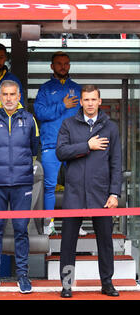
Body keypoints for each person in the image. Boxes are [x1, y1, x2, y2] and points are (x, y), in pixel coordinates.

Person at [56, 84, 122, 298]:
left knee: (105, 241)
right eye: (86, 100)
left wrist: (115, 193)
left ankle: (107, 283)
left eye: (94, 100)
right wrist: (87, 145)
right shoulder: (68, 124)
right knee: (68, 242)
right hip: (74, 192)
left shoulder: (110, 127)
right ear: (81, 102)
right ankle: (66, 285)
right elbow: (60, 152)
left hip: (101, 194)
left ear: (100, 101)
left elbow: (116, 163)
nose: (90, 104)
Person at [0, 80, 39, 294]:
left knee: (21, 230)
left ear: (19, 96)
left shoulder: (30, 120)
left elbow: (34, 149)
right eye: (5, 94)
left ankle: (23, 275)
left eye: (13, 94)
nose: (9, 98)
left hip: (22, 183)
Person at [33, 51, 85, 236]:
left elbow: (85, 117)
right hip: (51, 144)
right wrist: (62, 105)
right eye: (59, 63)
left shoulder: (78, 89)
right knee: (49, 186)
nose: (63, 66)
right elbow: (39, 113)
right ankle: (49, 224)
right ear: (52, 66)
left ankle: (76, 225)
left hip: (73, 145)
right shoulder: (45, 89)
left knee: (76, 186)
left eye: (66, 63)